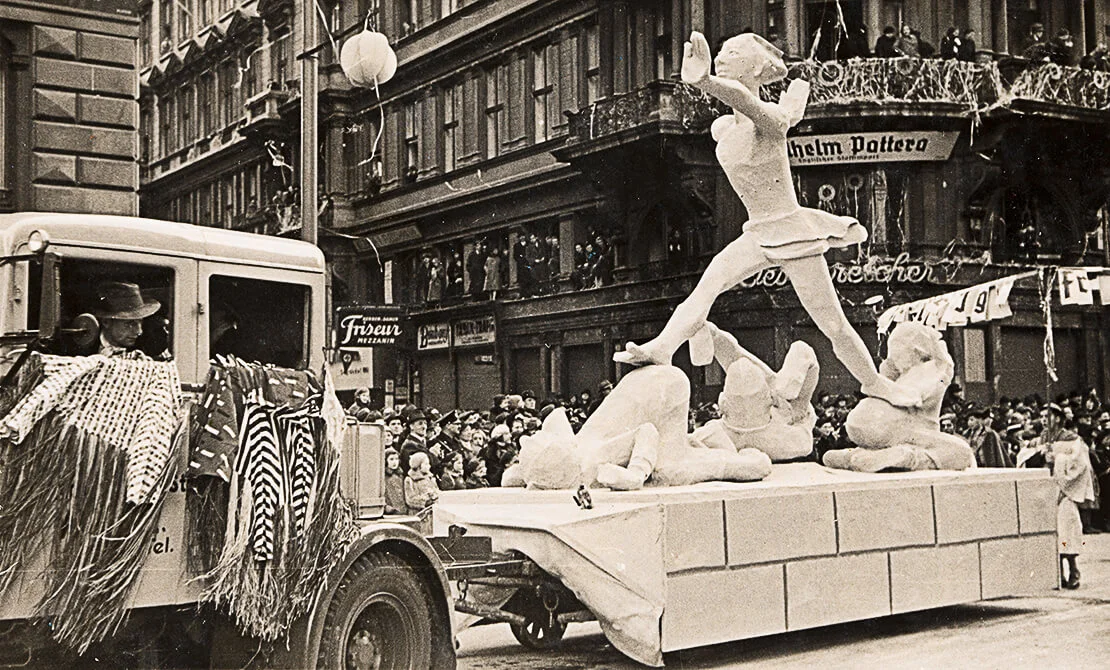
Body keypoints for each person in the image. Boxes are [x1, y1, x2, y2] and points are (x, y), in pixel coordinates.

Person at [614, 32, 919, 409]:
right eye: (721, 52)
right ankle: (663, 346)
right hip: (757, 231)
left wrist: (707, 81)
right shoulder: (723, 128)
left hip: (790, 231)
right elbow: (738, 104)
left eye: (732, 52)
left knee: (833, 324)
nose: (722, 56)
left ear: (756, 67)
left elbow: (745, 99)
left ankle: (875, 383)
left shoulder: (771, 121)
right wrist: (716, 83)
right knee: (706, 288)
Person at [1043, 404, 1095, 588]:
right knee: (1050, 533)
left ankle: (1074, 569)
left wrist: (1057, 460)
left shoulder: (1072, 440)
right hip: (1046, 490)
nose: (1043, 420)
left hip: (1065, 491)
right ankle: (1057, 573)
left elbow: (1080, 464)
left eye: (1047, 416)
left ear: (1057, 418)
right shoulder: (1043, 438)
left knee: (1068, 530)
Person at [94, 281, 162, 358]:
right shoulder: (84, 349)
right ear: (106, 322)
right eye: (130, 324)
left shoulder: (147, 348)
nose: (139, 331)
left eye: (141, 322)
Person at [383, 448, 405, 514]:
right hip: (390, 511)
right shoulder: (383, 477)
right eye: (391, 459)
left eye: (396, 459)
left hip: (403, 510)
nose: (395, 462)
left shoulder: (400, 475)